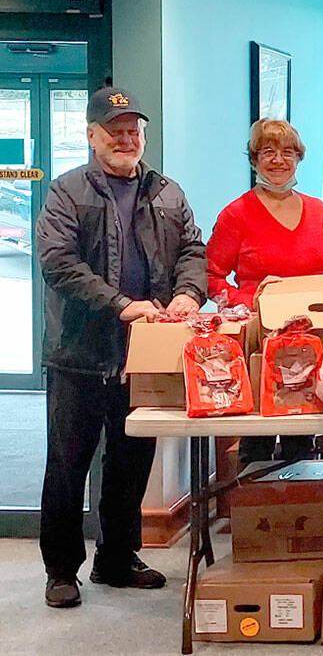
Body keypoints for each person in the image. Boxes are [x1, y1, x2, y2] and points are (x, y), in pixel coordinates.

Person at [37, 86, 207, 608]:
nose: (127, 138)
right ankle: (62, 570)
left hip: (146, 354)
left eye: (135, 130)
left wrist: (187, 293)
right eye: (116, 131)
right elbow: (57, 262)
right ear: (92, 137)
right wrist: (120, 303)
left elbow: (192, 250)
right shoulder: (67, 192)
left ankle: (117, 558)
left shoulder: (168, 192)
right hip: (80, 355)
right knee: (69, 464)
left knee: (131, 461)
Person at [206, 119, 323, 464]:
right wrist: (250, 303)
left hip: (315, 339)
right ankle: (255, 513)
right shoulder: (236, 214)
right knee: (258, 443)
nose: (279, 160)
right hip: (260, 340)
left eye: (288, 152)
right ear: (254, 160)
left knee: (304, 441)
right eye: (268, 152)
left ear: (299, 159)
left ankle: (301, 515)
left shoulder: (319, 210)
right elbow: (212, 277)